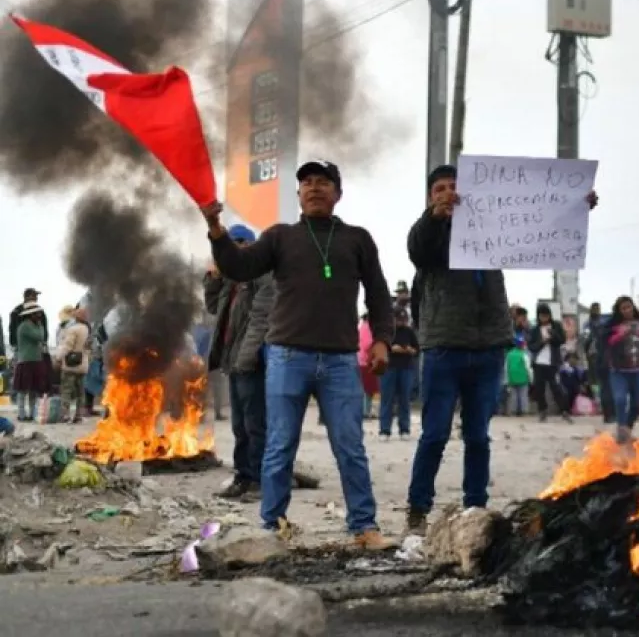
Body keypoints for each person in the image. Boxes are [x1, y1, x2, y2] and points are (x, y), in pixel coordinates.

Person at [202, 159, 396, 549]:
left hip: (341, 359)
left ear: (337, 194)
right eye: (307, 183)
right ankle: (272, 527)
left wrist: (382, 340)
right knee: (279, 444)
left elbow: (377, 293)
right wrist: (216, 228)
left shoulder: (357, 239)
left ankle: (364, 527)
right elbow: (239, 266)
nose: (314, 188)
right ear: (299, 195)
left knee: (350, 446)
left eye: (323, 182)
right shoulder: (280, 237)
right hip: (288, 357)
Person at [404, 164, 597, 531]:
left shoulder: (496, 228)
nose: (448, 193)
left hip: (489, 348)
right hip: (444, 347)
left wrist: (575, 206)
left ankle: (475, 508)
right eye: (439, 189)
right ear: (430, 198)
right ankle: (417, 510)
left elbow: (539, 225)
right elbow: (417, 248)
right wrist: (434, 218)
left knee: (478, 435)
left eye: (454, 187)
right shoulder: (430, 236)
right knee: (435, 434)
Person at [203, 223, 276, 500]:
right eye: (232, 243)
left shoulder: (263, 276)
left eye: (241, 242)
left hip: (252, 361)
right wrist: (214, 279)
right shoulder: (231, 280)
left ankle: (259, 479)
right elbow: (213, 309)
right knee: (239, 425)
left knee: (255, 423)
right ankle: (243, 477)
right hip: (233, 362)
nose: (236, 248)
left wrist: (246, 358)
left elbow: (261, 320)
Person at [605, 295, 639, 444]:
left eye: (629, 307)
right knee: (620, 399)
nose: (627, 310)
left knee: (636, 403)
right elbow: (607, 342)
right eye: (623, 308)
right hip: (619, 371)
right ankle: (621, 428)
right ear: (619, 311)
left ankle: (627, 427)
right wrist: (622, 333)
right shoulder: (612, 326)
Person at [527, 303, 571, 423]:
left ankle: (564, 410)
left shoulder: (556, 326)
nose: (544, 318)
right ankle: (542, 411)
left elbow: (562, 340)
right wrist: (542, 342)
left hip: (553, 363)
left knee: (556, 387)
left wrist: (552, 335)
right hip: (539, 363)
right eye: (542, 316)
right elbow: (531, 346)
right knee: (539, 388)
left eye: (546, 316)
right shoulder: (534, 330)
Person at [380, 310, 419, 440]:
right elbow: (381, 347)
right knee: (387, 399)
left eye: (404, 319)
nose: (401, 322)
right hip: (389, 368)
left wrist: (409, 350)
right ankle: (385, 430)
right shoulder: (388, 332)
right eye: (399, 319)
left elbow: (417, 350)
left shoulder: (409, 332)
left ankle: (404, 429)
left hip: (406, 368)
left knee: (405, 400)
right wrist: (391, 348)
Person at [11, 304, 47, 422]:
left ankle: (31, 414)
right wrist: (41, 326)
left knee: (33, 390)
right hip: (27, 361)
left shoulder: (30, 325)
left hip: (33, 361)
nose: (39, 316)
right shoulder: (25, 326)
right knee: (23, 391)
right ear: (31, 315)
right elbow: (40, 336)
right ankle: (22, 414)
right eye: (37, 314)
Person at [54, 305, 90, 424]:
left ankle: (65, 416)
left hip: (70, 365)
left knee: (66, 391)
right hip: (83, 365)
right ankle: (78, 416)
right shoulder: (87, 330)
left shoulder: (73, 330)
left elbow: (67, 346)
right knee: (80, 392)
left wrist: (58, 358)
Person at [504, 338, 532, 416]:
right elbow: (528, 367)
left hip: (512, 378)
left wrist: (506, 379)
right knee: (523, 395)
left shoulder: (509, 354)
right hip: (523, 377)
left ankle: (513, 411)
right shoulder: (524, 354)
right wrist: (531, 378)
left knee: (513, 396)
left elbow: (506, 367)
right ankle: (523, 411)